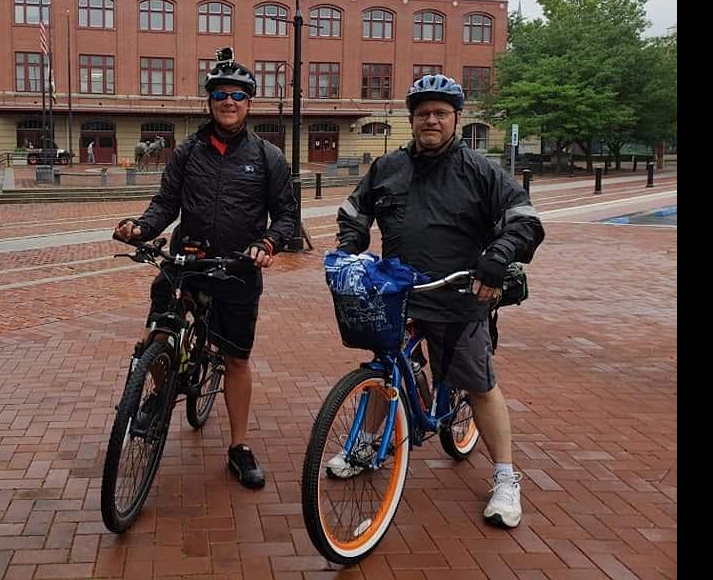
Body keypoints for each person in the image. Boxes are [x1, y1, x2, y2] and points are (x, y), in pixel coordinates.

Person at [334, 73, 545, 527]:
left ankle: (506, 477)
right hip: (399, 293)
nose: (432, 120)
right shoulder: (387, 168)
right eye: (423, 113)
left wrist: (497, 257)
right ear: (412, 120)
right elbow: (355, 212)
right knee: (385, 368)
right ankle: (369, 442)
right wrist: (350, 249)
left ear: (456, 119)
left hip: (458, 296)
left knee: (478, 384)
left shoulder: (482, 171)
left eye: (441, 113)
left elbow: (525, 220)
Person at [114, 49, 297, 489]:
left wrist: (268, 242)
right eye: (219, 94)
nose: (228, 101)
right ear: (209, 102)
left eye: (237, 95)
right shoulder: (188, 152)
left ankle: (238, 446)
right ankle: (157, 392)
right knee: (158, 332)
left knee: (235, 359)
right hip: (189, 260)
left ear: (249, 103)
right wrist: (142, 225)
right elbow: (166, 203)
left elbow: (288, 215)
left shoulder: (267, 156)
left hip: (237, 268)